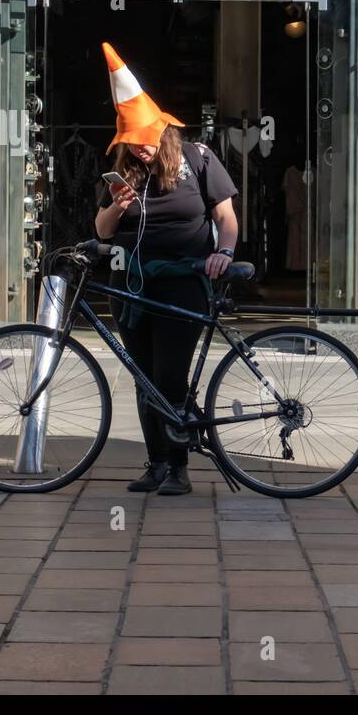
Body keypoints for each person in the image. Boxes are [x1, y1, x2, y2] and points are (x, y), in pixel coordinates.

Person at [93, 42, 239, 495]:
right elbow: (100, 231)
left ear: (162, 129)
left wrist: (225, 252)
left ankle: (179, 467)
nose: (139, 150)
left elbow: (227, 218)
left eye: (144, 140)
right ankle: (156, 463)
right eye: (131, 143)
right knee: (142, 377)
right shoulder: (124, 172)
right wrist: (117, 208)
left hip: (183, 282)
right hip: (133, 286)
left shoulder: (198, 158)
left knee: (168, 374)